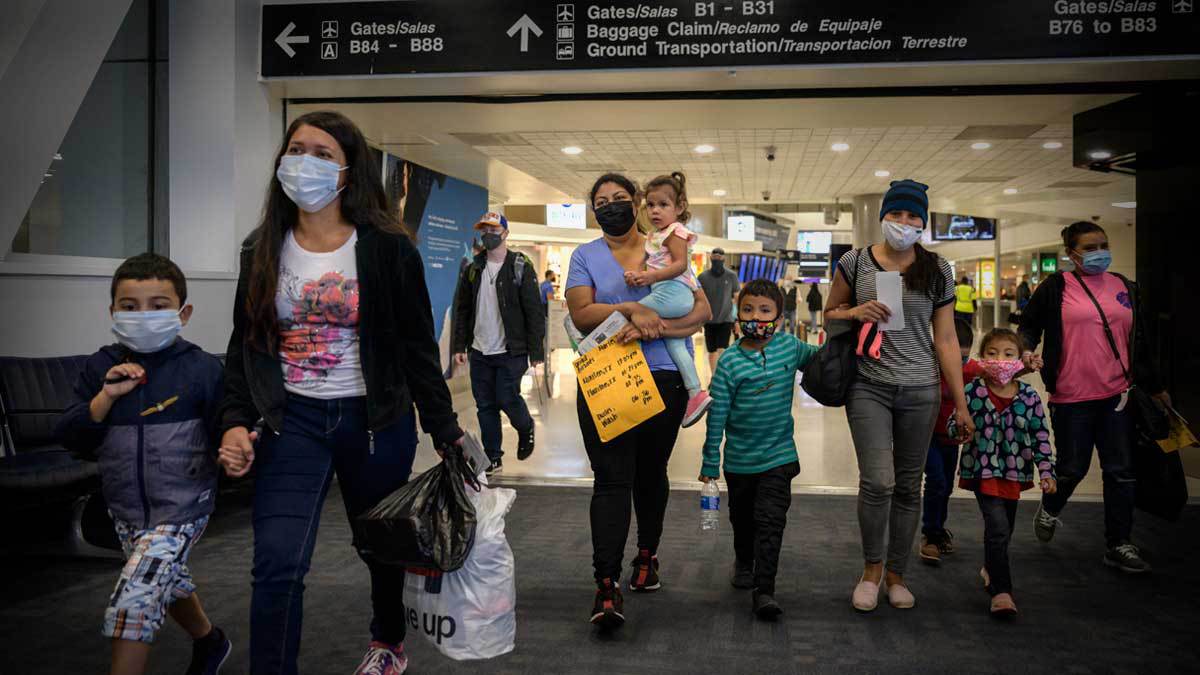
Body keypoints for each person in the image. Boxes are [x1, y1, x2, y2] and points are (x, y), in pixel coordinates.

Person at [215, 111, 464, 675]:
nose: (305, 162)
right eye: (296, 149)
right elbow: (245, 345)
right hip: (292, 422)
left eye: (322, 154)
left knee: (379, 547)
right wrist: (234, 418)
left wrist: (444, 427)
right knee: (277, 561)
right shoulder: (262, 247)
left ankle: (388, 642)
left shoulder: (387, 247)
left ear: (350, 171)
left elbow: (416, 345)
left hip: (374, 422)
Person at [56, 253, 231, 675]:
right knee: (163, 578)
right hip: (126, 508)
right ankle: (210, 641)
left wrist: (235, 443)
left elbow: (226, 427)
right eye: (130, 307)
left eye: (158, 305)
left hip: (182, 506)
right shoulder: (101, 365)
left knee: (134, 599)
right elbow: (70, 435)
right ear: (112, 311)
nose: (143, 316)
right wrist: (105, 398)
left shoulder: (202, 369)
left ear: (183, 313)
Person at [565, 172, 712, 630]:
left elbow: (702, 311)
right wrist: (632, 308)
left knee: (651, 474)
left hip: (665, 379)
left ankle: (647, 556)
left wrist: (655, 327)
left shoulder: (665, 245)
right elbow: (581, 313)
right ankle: (606, 583)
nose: (610, 206)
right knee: (611, 479)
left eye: (619, 198)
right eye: (601, 201)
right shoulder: (585, 256)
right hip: (608, 380)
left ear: (638, 202)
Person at [823, 179, 974, 612]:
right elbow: (829, 314)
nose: (903, 223)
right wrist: (855, 311)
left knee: (909, 486)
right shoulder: (855, 262)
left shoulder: (938, 268)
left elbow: (946, 338)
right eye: (896, 214)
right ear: (883, 216)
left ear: (922, 223)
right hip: (868, 385)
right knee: (877, 481)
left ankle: (896, 574)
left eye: (912, 216)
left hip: (922, 388)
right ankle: (871, 570)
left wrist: (960, 403)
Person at [1019, 221, 1169, 574]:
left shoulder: (1124, 286)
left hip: (1118, 395)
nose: (1099, 252)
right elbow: (1029, 325)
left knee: (1120, 471)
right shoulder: (1056, 286)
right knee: (1072, 468)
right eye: (1089, 248)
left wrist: (1156, 386)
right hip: (1071, 395)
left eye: (1103, 244)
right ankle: (1051, 507)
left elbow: (1140, 341)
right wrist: (1025, 350)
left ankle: (1118, 543)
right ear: (1071, 254)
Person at [701, 279, 820, 620]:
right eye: (748, 309)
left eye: (765, 311)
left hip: (779, 457)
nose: (756, 317)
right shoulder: (729, 362)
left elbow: (823, 360)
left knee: (770, 521)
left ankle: (764, 589)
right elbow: (717, 414)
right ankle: (743, 558)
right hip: (739, 462)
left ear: (780, 318)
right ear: (738, 315)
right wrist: (710, 459)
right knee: (742, 520)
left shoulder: (790, 347)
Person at [951, 328, 1056, 617]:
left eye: (1009, 354)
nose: (1000, 359)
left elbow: (1040, 436)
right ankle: (1001, 591)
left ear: (1020, 360)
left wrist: (1047, 471)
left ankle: (991, 565)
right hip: (982, 470)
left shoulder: (1029, 397)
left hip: (1014, 471)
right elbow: (955, 421)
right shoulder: (972, 391)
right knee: (997, 527)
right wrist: (959, 429)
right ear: (982, 357)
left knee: (1005, 529)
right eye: (992, 353)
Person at [452, 211, 545, 472]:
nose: (488, 235)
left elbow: (534, 312)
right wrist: (459, 345)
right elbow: (462, 309)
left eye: (493, 230)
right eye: (484, 230)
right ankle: (493, 457)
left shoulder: (520, 266)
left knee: (506, 397)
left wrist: (536, 350)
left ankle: (525, 426)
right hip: (480, 350)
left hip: (511, 350)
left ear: (505, 233)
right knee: (485, 405)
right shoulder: (473, 268)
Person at [623, 171, 712, 427]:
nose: (655, 210)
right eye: (650, 205)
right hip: (672, 295)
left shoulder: (675, 232)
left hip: (672, 293)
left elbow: (681, 265)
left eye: (663, 204)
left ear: (679, 207)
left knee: (628, 313)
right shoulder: (657, 234)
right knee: (676, 346)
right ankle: (696, 393)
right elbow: (649, 261)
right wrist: (637, 274)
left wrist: (650, 277)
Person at [920, 318, 980, 565]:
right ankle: (930, 533)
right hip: (927, 436)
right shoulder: (928, 367)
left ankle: (937, 529)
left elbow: (997, 370)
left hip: (950, 439)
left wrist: (1025, 365)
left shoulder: (969, 369)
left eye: (964, 358)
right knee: (936, 481)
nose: (959, 363)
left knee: (945, 486)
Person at [697, 247, 740, 377]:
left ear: (724, 259)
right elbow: (698, 299)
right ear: (710, 258)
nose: (717, 260)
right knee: (711, 351)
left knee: (722, 350)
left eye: (719, 258)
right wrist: (698, 321)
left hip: (726, 319)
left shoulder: (731, 276)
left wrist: (737, 320)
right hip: (709, 320)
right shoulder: (702, 277)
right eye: (714, 257)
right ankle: (714, 377)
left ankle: (721, 377)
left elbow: (737, 298)